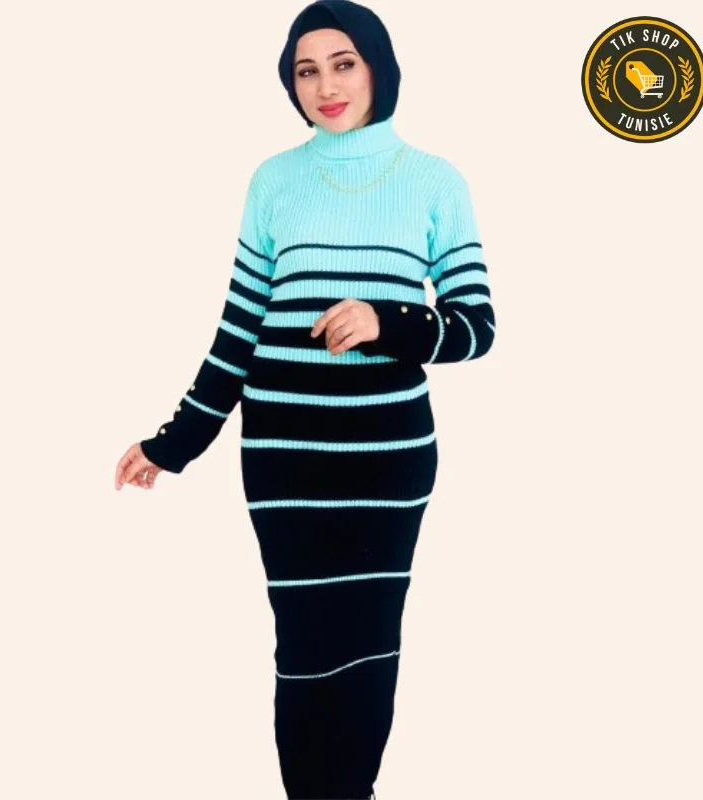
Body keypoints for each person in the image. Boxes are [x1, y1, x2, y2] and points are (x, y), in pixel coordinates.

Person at [115, 1, 495, 797]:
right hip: (284, 463)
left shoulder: (434, 181)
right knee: (303, 652)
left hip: (386, 465)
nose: (326, 86)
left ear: (378, 66)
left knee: (367, 647)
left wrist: (389, 321)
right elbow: (237, 333)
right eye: (306, 70)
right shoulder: (274, 181)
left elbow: (475, 327)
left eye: (343, 63)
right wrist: (173, 443)